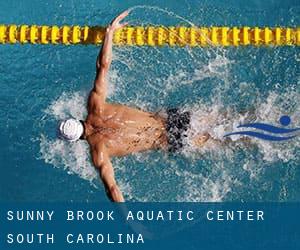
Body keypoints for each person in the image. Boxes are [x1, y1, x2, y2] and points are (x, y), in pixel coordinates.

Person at [58, 11, 210, 202]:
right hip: (172, 118)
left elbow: (112, 189)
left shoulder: (99, 152)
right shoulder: (95, 105)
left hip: (171, 140)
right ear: (76, 119)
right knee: (226, 118)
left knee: (228, 141)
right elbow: (103, 66)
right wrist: (109, 33)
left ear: (76, 140)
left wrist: (132, 223)